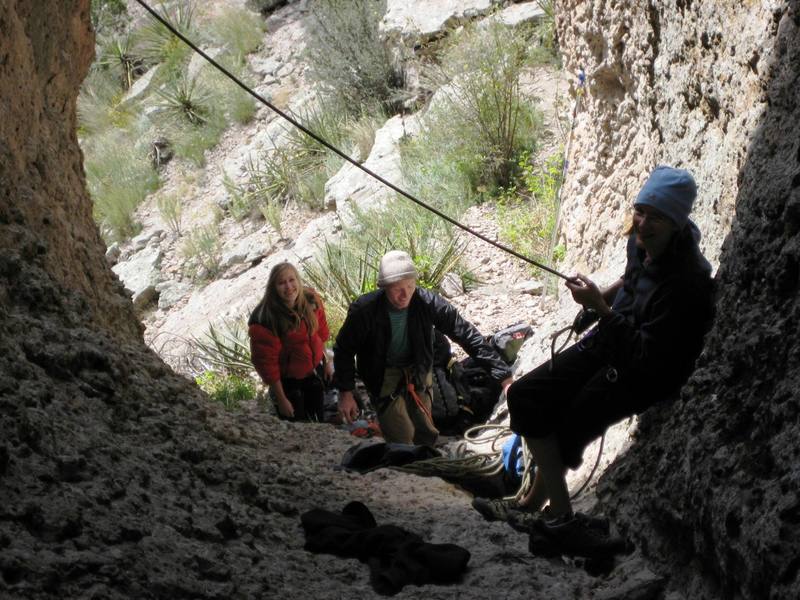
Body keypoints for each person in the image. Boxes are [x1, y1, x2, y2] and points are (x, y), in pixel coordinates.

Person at [473, 166, 715, 555]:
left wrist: (602, 309)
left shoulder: (687, 282)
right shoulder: (642, 243)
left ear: (676, 223)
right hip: (612, 337)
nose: (644, 223)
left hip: (645, 369)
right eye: (640, 210)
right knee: (525, 396)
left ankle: (557, 518)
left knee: (570, 424)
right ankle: (539, 508)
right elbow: (632, 278)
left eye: (656, 217)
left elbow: (648, 356)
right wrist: (603, 297)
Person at [334, 250, 514, 445]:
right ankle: (405, 466)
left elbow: (464, 333)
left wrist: (504, 377)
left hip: (418, 369)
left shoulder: (427, 302)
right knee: (400, 436)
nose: (405, 295)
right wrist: (346, 393)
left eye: (410, 286)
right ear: (384, 287)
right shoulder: (365, 311)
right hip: (383, 375)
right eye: (397, 289)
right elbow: (344, 349)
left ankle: (428, 462)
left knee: (425, 428)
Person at [249, 262, 332, 421]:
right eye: (281, 283)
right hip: (289, 384)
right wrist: (281, 399)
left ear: (298, 281)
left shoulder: (311, 301)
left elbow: (320, 333)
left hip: (314, 373)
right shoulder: (266, 320)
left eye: (291, 280)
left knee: (317, 420)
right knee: (298, 427)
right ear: (273, 288)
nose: (288, 287)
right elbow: (267, 364)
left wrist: (327, 361)